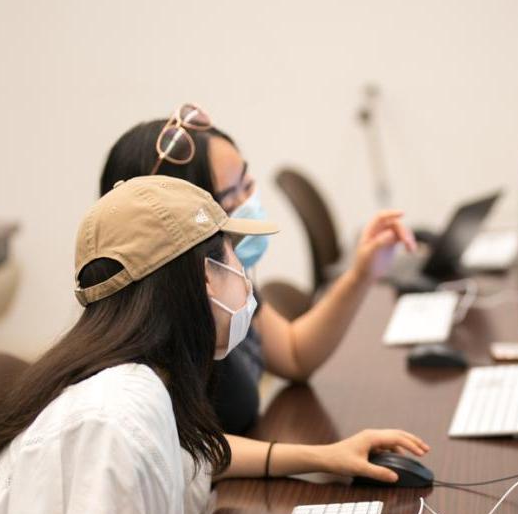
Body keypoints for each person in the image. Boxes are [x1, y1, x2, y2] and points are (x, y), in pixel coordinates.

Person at [0, 176, 429, 514]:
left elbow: (193, 458)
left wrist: (322, 457)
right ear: (203, 278)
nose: (245, 273)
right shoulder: (116, 416)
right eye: (232, 253)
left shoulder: (130, 386)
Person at [100, 103, 416, 433]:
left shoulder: (228, 282)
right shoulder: (154, 338)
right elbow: (190, 454)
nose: (248, 204)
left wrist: (362, 273)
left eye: (246, 184)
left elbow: (294, 355)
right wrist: (319, 458)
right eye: (229, 196)